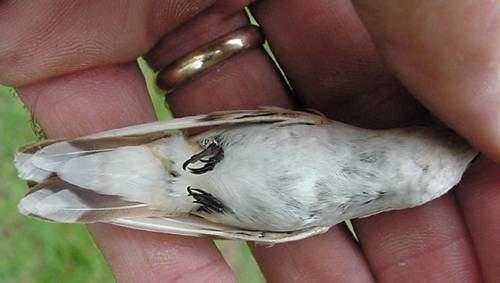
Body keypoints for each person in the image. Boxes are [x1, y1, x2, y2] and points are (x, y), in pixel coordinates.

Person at [2, 1, 499, 281]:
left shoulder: (330, 165)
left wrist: (199, 202)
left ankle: (124, 187)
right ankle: (97, 179)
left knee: (160, 185)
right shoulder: (324, 132)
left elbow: (260, 228)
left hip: (195, 192)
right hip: (191, 166)